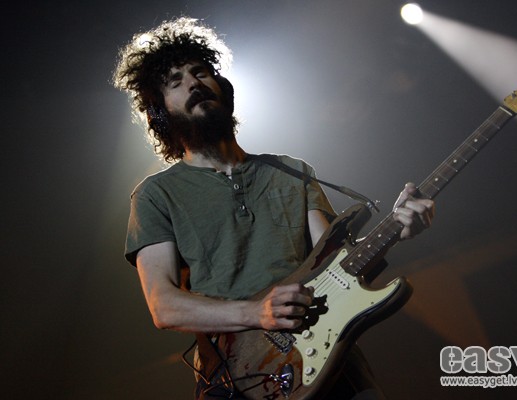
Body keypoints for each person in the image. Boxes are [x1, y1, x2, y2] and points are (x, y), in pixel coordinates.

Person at [113, 17, 434, 399]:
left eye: (200, 72)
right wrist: (255, 313)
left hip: (330, 360)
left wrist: (398, 227)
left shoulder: (292, 171)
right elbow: (163, 306)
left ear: (223, 87)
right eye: (175, 82)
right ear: (161, 112)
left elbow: (333, 263)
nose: (193, 84)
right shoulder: (155, 194)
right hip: (238, 377)